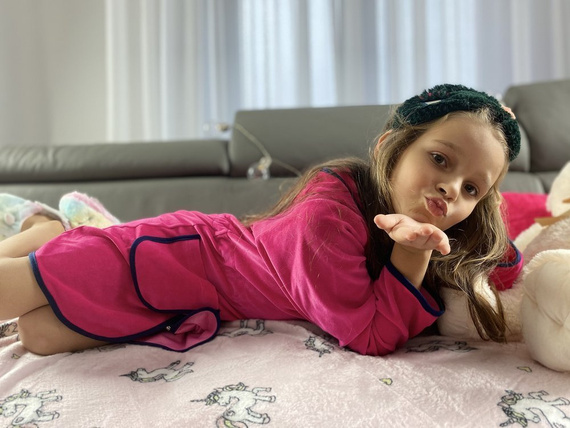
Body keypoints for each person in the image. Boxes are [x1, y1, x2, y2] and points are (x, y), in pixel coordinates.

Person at [0, 84, 523, 356]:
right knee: (14, 292)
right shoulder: (327, 216)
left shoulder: (439, 232)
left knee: (38, 335)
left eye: (471, 188)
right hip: (170, 258)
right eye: (440, 159)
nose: (451, 188)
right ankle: (59, 234)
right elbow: (369, 336)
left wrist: (470, 226)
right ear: (393, 147)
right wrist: (410, 252)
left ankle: (51, 232)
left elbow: (505, 268)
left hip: (191, 303)